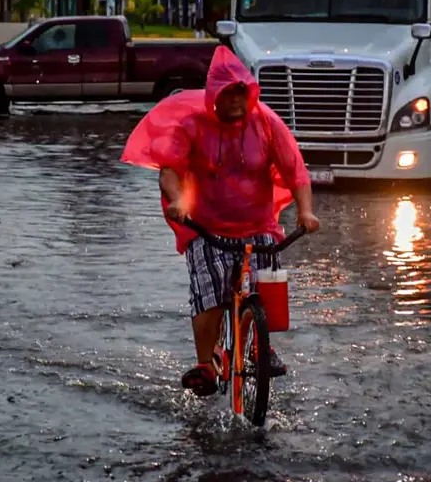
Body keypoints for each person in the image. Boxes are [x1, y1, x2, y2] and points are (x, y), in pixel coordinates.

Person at [120, 45, 320, 397]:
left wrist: (305, 212)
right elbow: (170, 172)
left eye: (241, 93)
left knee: (266, 288)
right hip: (207, 229)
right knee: (210, 293)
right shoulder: (191, 125)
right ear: (214, 95)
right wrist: (179, 200)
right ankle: (205, 364)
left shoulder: (267, 125)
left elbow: (296, 173)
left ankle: (261, 344)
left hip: (258, 227)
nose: (235, 101)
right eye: (228, 94)